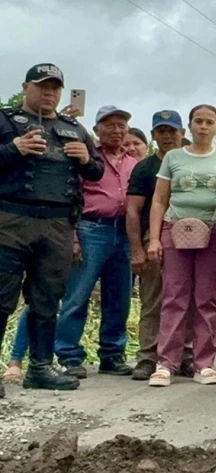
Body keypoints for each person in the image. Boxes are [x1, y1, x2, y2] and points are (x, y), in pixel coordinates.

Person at [0, 63, 104, 397]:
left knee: (47, 298)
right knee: (1, 298)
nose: (49, 93)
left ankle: (41, 368)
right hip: (10, 220)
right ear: (25, 87)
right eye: (43, 86)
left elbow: (97, 173)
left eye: (55, 87)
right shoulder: (4, 120)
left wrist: (87, 160)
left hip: (58, 224)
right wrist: (13, 149)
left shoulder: (74, 128)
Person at [147, 104, 216, 387]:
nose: (203, 127)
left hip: (214, 231)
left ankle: (203, 363)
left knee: (207, 298)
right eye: (198, 121)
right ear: (189, 127)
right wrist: (155, 238)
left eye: (209, 122)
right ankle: (166, 363)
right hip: (176, 228)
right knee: (174, 296)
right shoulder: (173, 156)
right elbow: (159, 200)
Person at [55, 105, 137, 379]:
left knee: (119, 297)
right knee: (77, 295)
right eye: (110, 125)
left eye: (121, 125)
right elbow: (71, 197)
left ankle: (112, 356)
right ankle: (69, 355)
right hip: (91, 229)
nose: (117, 130)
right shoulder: (87, 158)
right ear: (96, 130)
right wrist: (74, 237)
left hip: (124, 233)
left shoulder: (133, 161)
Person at [126, 110, 194, 380]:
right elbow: (132, 211)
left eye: (172, 131)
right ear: (153, 135)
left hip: (190, 237)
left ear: (182, 133)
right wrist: (137, 249)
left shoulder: (196, 161)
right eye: (161, 131)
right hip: (152, 238)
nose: (167, 136)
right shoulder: (145, 168)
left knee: (185, 299)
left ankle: (185, 355)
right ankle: (147, 357)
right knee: (153, 299)